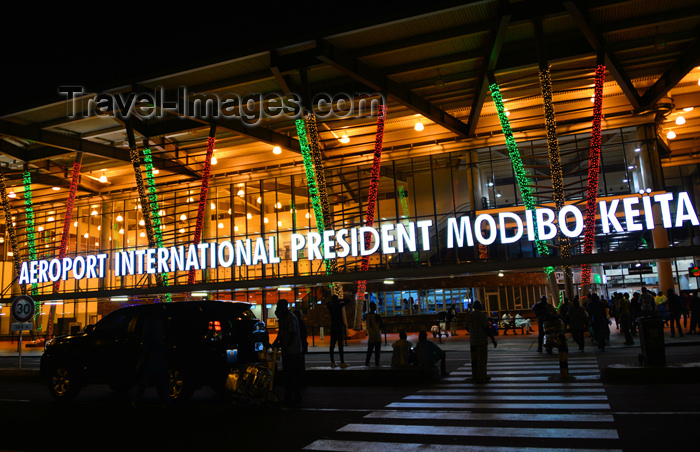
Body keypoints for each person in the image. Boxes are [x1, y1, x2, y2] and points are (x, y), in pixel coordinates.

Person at [134, 306, 170, 407]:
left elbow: (145, 339)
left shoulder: (151, 322)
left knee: (148, 379)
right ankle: (166, 401)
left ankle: (138, 400)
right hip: (156, 354)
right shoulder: (157, 323)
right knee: (160, 379)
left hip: (155, 354)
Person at [273, 300, 303, 406]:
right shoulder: (283, 318)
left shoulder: (290, 318)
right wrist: (275, 343)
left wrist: (286, 346)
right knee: (287, 375)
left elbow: (293, 333)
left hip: (293, 351)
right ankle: (289, 396)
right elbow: (281, 333)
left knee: (290, 375)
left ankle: (296, 397)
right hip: (288, 351)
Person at [465, 300, 497, 383]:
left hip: (473, 341)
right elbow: (487, 327)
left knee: (475, 360)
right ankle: (482, 376)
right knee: (482, 359)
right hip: (481, 340)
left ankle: (475, 375)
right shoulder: (481, 314)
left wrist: (472, 331)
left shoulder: (470, 315)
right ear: (479, 306)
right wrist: (493, 339)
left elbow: (466, 327)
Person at [326, 295, 350, 368]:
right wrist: (340, 300)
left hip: (333, 327)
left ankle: (332, 362)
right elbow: (348, 300)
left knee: (332, 346)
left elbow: (327, 303)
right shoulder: (339, 306)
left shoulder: (331, 307)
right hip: (339, 328)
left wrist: (334, 301)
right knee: (340, 345)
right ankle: (342, 362)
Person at [365, 301, 384, 366]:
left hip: (371, 336)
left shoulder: (366, 316)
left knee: (369, 352)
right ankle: (377, 365)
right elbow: (382, 326)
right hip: (377, 336)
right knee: (377, 353)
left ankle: (367, 364)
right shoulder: (377, 316)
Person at [293, 309, 308, 388]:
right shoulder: (301, 322)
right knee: (301, 365)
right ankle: (302, 382)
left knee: (297, 366)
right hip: (302, 345)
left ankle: (300, 383)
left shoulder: (295, 323)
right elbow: (305, 334)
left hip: (298, 346)